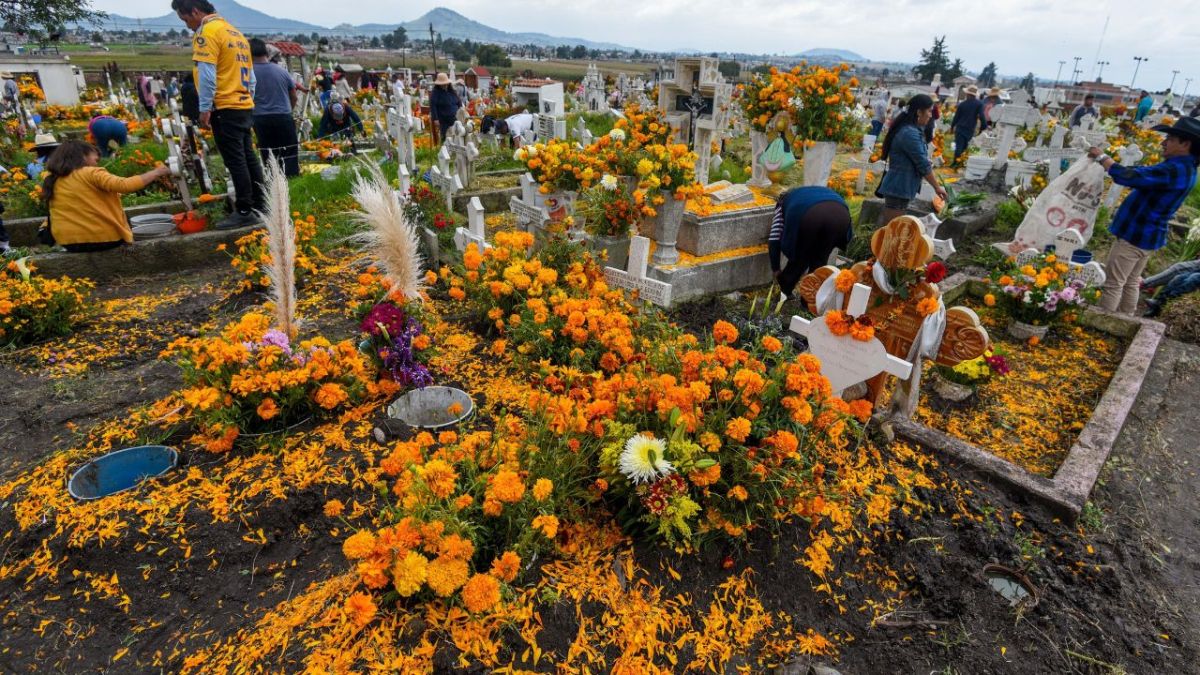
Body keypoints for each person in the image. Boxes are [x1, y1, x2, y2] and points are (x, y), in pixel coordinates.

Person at [1087, 117, 1200, 314]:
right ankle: (1126, 319)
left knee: (1113, 283)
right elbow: (1143, 173)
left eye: (1170, 139)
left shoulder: (1175, 169)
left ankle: (1101, 323)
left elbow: (1130, 177)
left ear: (1186, 144)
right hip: (1147, 235)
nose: (1163, 143)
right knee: (1130, 282)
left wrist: (1102, 158)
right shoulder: (1184, 168)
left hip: (1135, 235)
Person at [173, 0, 264, 230]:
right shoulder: (234, 32)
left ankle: (244, 210)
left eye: (186, 19)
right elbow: (251, 77)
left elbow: (206, 73)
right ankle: (261, 204)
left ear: (195, 11)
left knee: (236, 160)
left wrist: (205, 108)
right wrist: (247, 96)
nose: (188, 26)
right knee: (248, 156)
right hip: (243, 102)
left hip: (224, 105)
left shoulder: (207, 32)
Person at [41, 140, 171, 252]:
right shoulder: (91, 173)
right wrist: (157, 172)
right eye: (95, 159)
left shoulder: (53, 178)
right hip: (102, 239)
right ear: (82, 156)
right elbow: (125, 185)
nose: (97, 164)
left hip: (68, 243)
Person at [876, 94, 948, 225]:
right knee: (892, 230)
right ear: (919, 112)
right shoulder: (909, 133)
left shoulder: (912, 130)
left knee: (892, 228)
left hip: (902, 186)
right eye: (929, 111)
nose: (931, 115)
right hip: (899, 186)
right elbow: (922, 164)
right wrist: (937, 188)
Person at [768, 186, 853, 297]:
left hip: (811, 215)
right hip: (841, 216)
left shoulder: (782, 203)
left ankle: (784, 292)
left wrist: (776, 269)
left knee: (800, 258)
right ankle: (809, 301)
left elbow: (774, 238)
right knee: (819, 261)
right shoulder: (808, 192)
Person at [249, 38, 299, 177]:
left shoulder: (247, 73)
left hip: (260, 119)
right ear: (266, 53)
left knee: (269, 154)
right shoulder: (281, 71)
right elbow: (294, 96)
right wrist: (288, 110)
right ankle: (292, 182)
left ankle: (274, 184)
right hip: (283, 116)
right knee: (289, 152)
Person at [950, 85, 986, 164]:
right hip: (970, 128)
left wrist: (952, 126)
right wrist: (983, 127)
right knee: (965, 146)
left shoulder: (962, 104)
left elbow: (956, 117)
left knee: (959, 146)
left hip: (960, 127)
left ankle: (955, 163)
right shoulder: (979, 104)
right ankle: (961, 162)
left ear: (968, 94)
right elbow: (982, 116)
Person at [429, 72, 461, 143]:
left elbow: (458, 102)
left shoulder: (452, 91)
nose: (445, 85)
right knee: (445, 136)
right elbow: (433, 105)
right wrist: (435, 119)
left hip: (455, 117)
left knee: (456, 135)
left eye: (445, 83)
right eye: (442, 84)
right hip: (443, 119)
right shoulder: (435, 92)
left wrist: (460, 110)